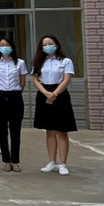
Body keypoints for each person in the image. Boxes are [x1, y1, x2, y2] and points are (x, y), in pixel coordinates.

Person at [32, 35, 76, 176]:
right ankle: (52, 161)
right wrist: (46, 93)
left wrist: (54, 94)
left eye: (50, 43)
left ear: (56, 45)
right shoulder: (39, 61)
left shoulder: (65, 61)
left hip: (60, 95)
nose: (48, 46)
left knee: (62, 131)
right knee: (50, 131)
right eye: (45, 44)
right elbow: (35, 79)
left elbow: (66, 79)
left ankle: (63, 163)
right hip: (44, 94)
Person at [0, 37, 27, 172]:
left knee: (15, 130)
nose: (4, 47)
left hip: (15, 96)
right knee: (2, 130)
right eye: (2, 45)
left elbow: (22, 80)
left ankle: (15, 160)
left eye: (7, 45)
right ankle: (6, 160)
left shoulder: (20, 62)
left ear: (12, 47)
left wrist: (16, 92)